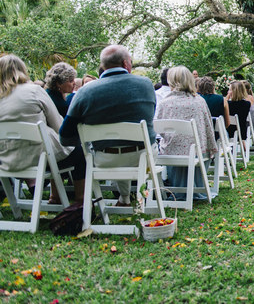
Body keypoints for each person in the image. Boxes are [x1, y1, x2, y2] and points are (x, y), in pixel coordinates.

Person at [60, 44, 157, 207]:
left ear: (102, 65)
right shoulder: (145, 85)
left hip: (105, 159)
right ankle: (142, 198)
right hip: (143, 156)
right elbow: (150, 115)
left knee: (117, 149)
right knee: (135, 145)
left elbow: (65, 136)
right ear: (126, 64)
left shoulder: (85, 92)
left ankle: (124, 198)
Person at [0, 55, 86, 203]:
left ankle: (55, 197)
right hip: (40, 159)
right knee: (79, 152)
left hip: (7, 161)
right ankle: (81, 201)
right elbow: (59, 126)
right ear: (22, 70)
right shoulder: (34, 91)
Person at [155, 66, 217, 200]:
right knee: (201, 146)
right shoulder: (199, 102)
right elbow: (208, 128)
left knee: (172, 144)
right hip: (196, 152)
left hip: (170, 152)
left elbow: (158, 130)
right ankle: (197, 187)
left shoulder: (164, 103)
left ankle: (175, 189)